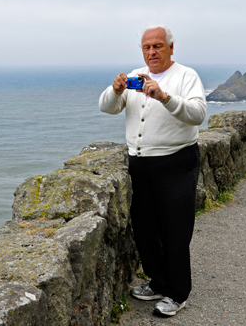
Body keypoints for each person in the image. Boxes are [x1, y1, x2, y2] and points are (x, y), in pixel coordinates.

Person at [99, 25, 206, 317]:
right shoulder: (135, 76)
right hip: (140, 164)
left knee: (175, 229)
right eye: (147, 47)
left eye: (158, 46)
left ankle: (177, 293)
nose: (152, 52)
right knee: (145, 228)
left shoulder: (186, 76)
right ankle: (158, 282)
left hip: (176, 161)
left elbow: (198, 113)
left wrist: (164, 97)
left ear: (171, 47)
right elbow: (106, 107)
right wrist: (115, 89)